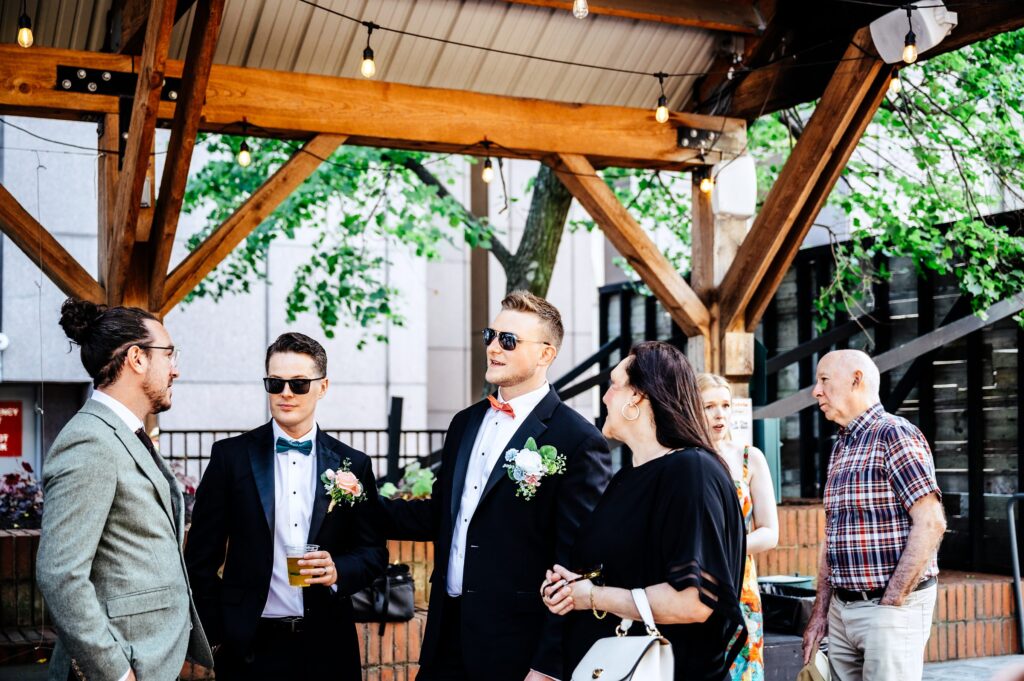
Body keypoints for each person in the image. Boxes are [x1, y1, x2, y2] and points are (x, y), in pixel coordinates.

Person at [376, 291, 612, 681]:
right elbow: (441, 515)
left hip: (516, 650)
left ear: (545, 355)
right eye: (490, 335)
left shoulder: (578, 440)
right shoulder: (465, 423)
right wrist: (359, 505)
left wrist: (549, 665)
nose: (493, 348)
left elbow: (575, 562)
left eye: (508, 340)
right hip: (445, 637)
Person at [185, 332, 387, 680]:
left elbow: (373, 552)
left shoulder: (353, 464)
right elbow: (199, 560)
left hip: (328, 646)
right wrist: (220, 636)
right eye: (275, 383)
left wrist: (338, 569)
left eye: (299, 384)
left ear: (323, 387)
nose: (286, 394)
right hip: (250, 648)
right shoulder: (230, 458)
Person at [543, 341, 748, 681]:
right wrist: (574, 586)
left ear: (638, 397)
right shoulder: (627, 477)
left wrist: (593, 596)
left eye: (612, 385)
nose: (605, 398)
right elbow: (632, 571)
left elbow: (693, 602)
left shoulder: (692, 471)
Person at [36, 298, 213, 681]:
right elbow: (59, 573)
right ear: (137, 358)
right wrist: (115, 672)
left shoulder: (124, 433)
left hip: (151, 660)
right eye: (169, 354)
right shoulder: (90, 442)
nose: (175, 370)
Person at [801, 349, 946, 681]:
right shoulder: (842, 445)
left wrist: (891, 603)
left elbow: (931, 522)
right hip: (841, 610)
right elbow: (833, 536)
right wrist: (820, 614)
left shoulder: (894, 434)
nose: (816, 391)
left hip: (889, 608)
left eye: (824, 380)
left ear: (856, 380)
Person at [698, 373, 779, 681]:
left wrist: (727, 546)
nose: (720, 414)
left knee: (744, 672)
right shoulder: (682, 459)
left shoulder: (749, 458)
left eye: (725, 405)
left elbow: (770, 532)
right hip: (693, 584)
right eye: (709, 406)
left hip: (741, 585)